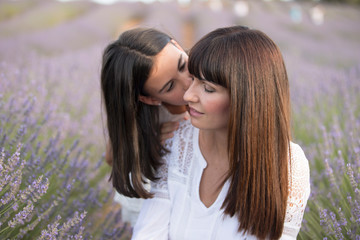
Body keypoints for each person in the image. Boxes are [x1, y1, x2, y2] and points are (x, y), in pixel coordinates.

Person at [132, 26, 311, 239]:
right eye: (194, 78)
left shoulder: (288, 166)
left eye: (207, 88)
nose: (188, 95)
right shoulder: (177, 142)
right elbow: (148, 233)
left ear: (247, 97)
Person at [100, 27, 192, 225]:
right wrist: (149, 139)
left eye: (182, 65)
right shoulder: (140, 115)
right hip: (153, 200)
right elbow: (113, 157)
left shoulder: (210, 67)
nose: (188, 81)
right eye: (170, 86)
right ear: (148, 99)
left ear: (176, 45)